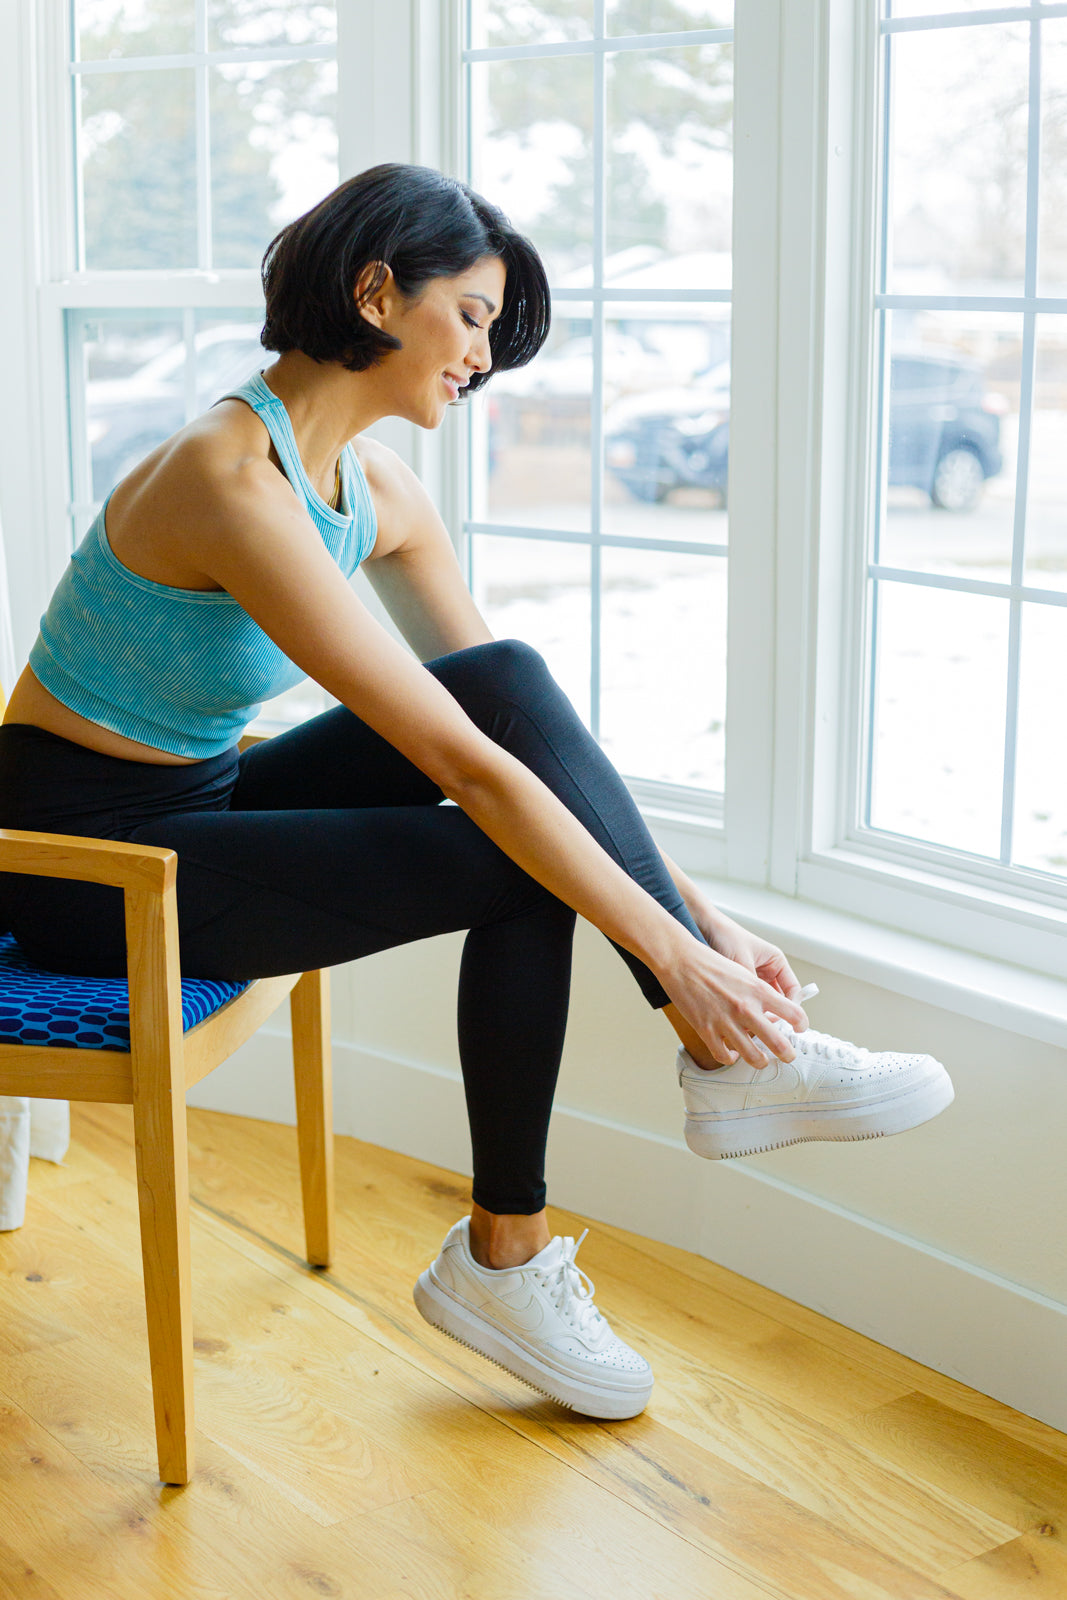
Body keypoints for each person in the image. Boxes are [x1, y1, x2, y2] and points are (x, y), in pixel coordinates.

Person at [0, 165, 952, 1422]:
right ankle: (507, 1249)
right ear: (376, 291)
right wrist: (675, 956)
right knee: (514, 852)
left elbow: (513, 733)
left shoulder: (379, 491)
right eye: (471, 314)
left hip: (197, 802)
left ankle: (696, 1077)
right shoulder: (224, 479)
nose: (483, 357)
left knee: (504, 677)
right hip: (69, 861)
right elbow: (463, 773)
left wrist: (705, 925)